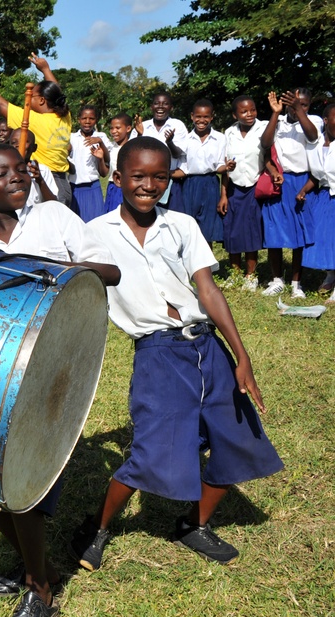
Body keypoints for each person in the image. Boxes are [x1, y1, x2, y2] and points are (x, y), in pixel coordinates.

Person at [70, 137, 284, 572]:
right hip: (158, 354)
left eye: (160, 177)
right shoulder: (94, 234)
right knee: (151, 450)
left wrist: (241, 357)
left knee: (236, 441)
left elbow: (207, 289)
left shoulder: (182, 224)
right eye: (139, 176)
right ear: (117, 178)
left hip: (207, 345)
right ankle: (99, 526)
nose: (150, 185)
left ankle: (193, 524)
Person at [0, 143, 117, 617]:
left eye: (20, 169)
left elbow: (108, 271)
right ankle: (30, 566)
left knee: (21, 485)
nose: (16, 177)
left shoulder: (55, 217)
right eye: (1, 174)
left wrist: (51, 271)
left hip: (55, 366)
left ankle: (40, 590)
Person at [0, 54, 73, 205]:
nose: (28, 100)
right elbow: (57, 93)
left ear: (42, 100)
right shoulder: (65, 116)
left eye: (32, 96)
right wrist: (45, 69)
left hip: (46, 180)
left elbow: (0, 105)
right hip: (64, 183)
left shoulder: (34, 120)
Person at [260, 89, 322, 298]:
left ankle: (297, 282)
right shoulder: (278, 123)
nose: (299, 109)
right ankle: (277, 278)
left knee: (300, 234)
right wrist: (276, 113)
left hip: (303, 182)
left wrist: (298, 109)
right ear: (285, 104)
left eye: (304, 105)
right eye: (295, 105)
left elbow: (313, 137)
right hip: (280, 181)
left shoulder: (313, 121)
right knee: (274, 231)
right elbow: (266, 144)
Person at [222, 95, 275, 290]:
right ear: (235, 114)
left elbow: (268, 155)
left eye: (252, 110)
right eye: (243, 111)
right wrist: (223, 194)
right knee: (232, 231)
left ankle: (251, 275)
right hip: (234, 187)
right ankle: (235, 273)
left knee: (251, 231)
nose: (249, 114)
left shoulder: (263, 128)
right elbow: (225, 166)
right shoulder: (229, 133)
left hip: (254, 186)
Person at [178, 99, 227, 244]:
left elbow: (220, 167)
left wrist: (228, 167)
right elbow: (182, 166)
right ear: (192, 116)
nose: (202, 120)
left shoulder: (220, 138)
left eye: (206, 117)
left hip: (210, 183)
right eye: (198, 116)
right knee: (189, 225)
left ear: (212, 117)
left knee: (207, 228)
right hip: (189, 183)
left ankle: (207, 265)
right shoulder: (186, 139)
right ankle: (190, 265)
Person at [300, 103, 335, 301]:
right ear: (326, 120)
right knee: (324, 240)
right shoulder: (316, 144)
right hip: (324, 198)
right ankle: (330, 274)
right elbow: (316, 175)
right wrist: (303, 190)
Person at [134, 93, 189, 212]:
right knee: (148, 215)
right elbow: (134, 154)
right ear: (151, 107)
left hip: (170, 180)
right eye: (156, 103)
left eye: (165, 104)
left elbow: (177, 154)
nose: (160, 107)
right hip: (146, 181)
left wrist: (169, 142)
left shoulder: (177, 125)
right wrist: (139, 135)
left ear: (171, 107)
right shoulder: (142, 126)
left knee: (171, 217)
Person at [68, 105, 111, 223]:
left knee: (95, 224)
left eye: (91, 118)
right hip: (75, 188)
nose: (87, 122)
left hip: (93, 188)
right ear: (79, 119)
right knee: (77, 225)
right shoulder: (71, 137)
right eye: (84, 118)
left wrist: (100, 143)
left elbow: (107, 162)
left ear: (96, 120)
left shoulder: (101, 136)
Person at [103, 114, 132, 214]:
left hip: (125, 188)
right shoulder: (111, 148)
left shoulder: (132, 148)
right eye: (111, 128)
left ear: (128, 128)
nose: (113, 131)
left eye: (118, 128)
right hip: (112, 186)